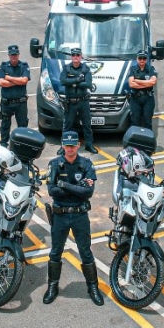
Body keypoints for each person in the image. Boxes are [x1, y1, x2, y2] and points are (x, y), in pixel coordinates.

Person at [43, 131, 103, 306]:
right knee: (56, 251)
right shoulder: (55, 164)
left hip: (79, 215)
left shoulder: (86, 164)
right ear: (62, 145)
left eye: (73, 145)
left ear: (78, 145)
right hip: (60, 214)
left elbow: (88, 192)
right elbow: (52, 191)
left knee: (85, 251)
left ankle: (93, 287)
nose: (70, 149)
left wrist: (64, 184)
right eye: (67, 145)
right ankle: (52, 287)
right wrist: (77, 187)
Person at [60, 47, 97, 154]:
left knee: (87, 125)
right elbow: (63, 81)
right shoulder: (66, 68)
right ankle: (63, 146)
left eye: (78, 55)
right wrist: (77, 80)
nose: (75, 57)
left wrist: (71, 82)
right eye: (73, 55)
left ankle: (89, 145)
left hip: (83, 101)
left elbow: (88, 84)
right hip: (70, 102)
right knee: (67, 125)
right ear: (71, 57)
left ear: (81, 56)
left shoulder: (85, 68)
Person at [0, 45, 30, 147]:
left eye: (15, 55)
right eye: (12, 55)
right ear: (9, 55)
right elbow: (1, 82)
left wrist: (9, 78)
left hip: (20, 102)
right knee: (5, 125)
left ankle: (22, 144)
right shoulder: (4, 66)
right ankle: (4, 143)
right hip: (7, 103)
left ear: (18, 55)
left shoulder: (24, 66)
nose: (14, 57)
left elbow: (24, 80)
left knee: (22, 125)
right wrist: (17, 81)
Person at [127, 50, 157, 129]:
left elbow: (153, 82)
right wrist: (147, 83)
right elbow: (131, 84)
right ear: (137, 59)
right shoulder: (132, 69)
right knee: (135, 122)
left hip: (148, 98)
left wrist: (137, 81)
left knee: (147, 121)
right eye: (140, 58)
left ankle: (148, 137)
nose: (142, 60)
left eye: (144, 58)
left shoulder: (151, 69)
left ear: (146, 59)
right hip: (135, 99)